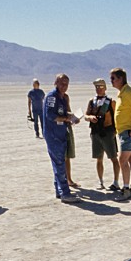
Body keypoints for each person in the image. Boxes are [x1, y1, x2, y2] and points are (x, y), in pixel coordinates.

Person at [42, 73, 81, 203]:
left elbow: (64, 113)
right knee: (59, 164)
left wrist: (73, 117)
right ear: (56, 83)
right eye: (62, 83)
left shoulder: (63, 98)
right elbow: (50, 115)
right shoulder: (51, 97)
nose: (64, 86)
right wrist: (66, 118)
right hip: (53, 135)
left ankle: (59, 191)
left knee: (58, 163)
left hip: (61, 133)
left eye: (66, 84)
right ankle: (65, 193)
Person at [110, 67, 131, 199]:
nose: (111, 81)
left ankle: (126, 189)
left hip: (129, 132)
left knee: (122, 160)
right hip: (124, 132)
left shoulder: (128, 92)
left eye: (113, 78)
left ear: (120, 79)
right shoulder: (122, 93)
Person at [84, 78, 120, 190]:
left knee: (113, 158)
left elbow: (116, 118)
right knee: (99, 158)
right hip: (95, 132)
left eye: (100, 86)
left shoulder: (111, 101)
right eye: (96, 87)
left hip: (108, 132)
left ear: (105, 87)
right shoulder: (92, 101)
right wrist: (90, 117)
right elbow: (86, 115)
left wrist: (114, 132)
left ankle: (116, 182)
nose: (98, 89)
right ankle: (100, 182)